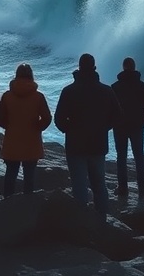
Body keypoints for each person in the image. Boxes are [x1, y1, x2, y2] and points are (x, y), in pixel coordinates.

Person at [54, 53, 122, 220]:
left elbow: (59, 119)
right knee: (99, 184)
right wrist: (104, 127)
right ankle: (102, 221)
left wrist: (70, 130)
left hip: (75, 145)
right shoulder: (106, 90)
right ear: (94, 68)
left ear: (79, 67)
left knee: (79, 185)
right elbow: (118, 115)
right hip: (98, 144)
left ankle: (81, 222)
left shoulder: (69, 91)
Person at [0, 63, 52, 197]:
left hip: (12, 140)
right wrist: (37, 128)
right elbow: (47, 117)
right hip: (31, 142)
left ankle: (7, 205)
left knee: (11, 174)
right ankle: (28, 206)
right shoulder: (38, 97)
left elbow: (0, 118)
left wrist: (10, 126)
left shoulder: (7, 96)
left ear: (16, 76)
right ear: (31, 76)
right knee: (29, 177)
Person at [111, 57, 144, 198]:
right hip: (137, 126)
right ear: (134, 67)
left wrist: (114, 122)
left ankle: (123, 188)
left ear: (123, 67)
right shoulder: (143, 86)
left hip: (120, 127)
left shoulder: (115, 87)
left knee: (121, 157)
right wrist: (143, 121)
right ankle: (142, 189)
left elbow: (110, 109)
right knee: (139, 157)